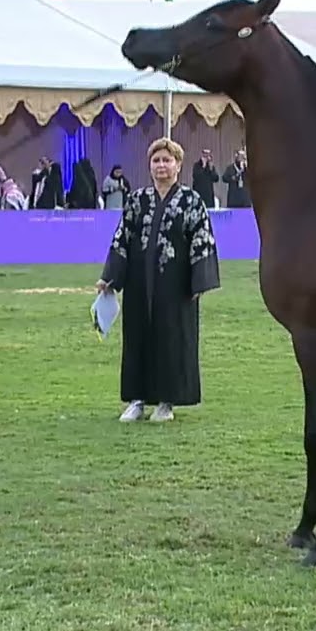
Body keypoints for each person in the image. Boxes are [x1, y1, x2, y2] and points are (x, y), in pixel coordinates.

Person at [96, 137, 221, 423]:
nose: (161, 165)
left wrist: (199, 281)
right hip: (140, 284)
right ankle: (137, 400)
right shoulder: (138, 200)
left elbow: (202, 240)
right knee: (138, 337)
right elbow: (121, 239)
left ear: (178, 165)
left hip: (176, 286)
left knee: (172, 339)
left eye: (167, 160)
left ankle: (166, 402)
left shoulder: (191, 201)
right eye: (156, 160)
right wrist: (110, 277)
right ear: (149, 165)